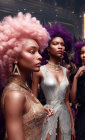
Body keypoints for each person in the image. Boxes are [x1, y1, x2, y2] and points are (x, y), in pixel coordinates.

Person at [0, 12, 53, 140]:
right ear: (15, 57)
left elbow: (26, 115)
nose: (40, 56)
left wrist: (40, 112)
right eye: (32, 51)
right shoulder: (15, 95)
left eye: (38, 51)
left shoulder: (23, 87)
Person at [32, 24, 75, 140]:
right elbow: (33, 101)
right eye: (55, 44)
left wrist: (73, 125)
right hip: (48, 114)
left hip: (65, 116)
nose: (60, 47)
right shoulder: (39, 70)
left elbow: (67, 101)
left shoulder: (66, 71)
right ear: (48, 48)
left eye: (62, 44)